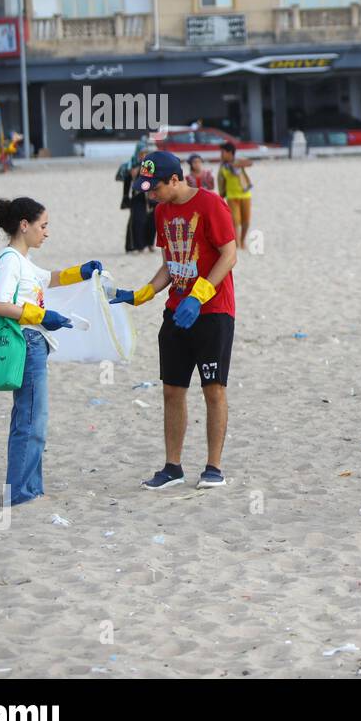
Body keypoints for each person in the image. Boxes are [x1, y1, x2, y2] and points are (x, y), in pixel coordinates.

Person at [111, 152, 238, 490]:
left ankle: (214, 467)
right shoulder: (162, 213)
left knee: (213, 390)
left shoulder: (212, 205)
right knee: (171, 390)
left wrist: (199, 296)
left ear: (174, 179)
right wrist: (144, 293)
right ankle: (173, 467)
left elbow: (229, 254)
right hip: (176, 312)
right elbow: (171, 262)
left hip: (213, 312)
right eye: (145, 189)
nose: (149, 195)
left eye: (154, 188)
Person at [0, 197, 102, 505]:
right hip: (27, 342)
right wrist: (42, 316)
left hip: (33, 343)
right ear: (24, 225)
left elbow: (49, 278)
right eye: (43, 226)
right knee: (32, 421)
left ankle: (30, 487)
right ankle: (21, 492)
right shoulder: (9, 260)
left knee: (29, 418)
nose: (46, 232)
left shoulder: (23, 261)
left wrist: (82, 271)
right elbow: (0, 304)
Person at [120, 138, 156, 254]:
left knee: (152, 222)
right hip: (138, 198)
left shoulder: (151, 166)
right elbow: (126, 182)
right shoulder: (131, 165)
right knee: (138, 221)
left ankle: (150, 244)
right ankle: (137, 246)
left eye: (146, 153)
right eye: (141, 153)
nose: (144, 156)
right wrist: (125, 197)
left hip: (152, 198)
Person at [216, 141, 253, 249]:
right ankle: (237, 243)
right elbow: (220, 180)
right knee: (235, 220)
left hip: (245, 195)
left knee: (246, 221)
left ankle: (242, 240)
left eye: (223, 152)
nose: (221, 155)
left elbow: (250, 163)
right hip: (231, 196)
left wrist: (236, 164)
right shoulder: (222, 166)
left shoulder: (238, 161)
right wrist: (221, 195)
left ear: (230, 153)